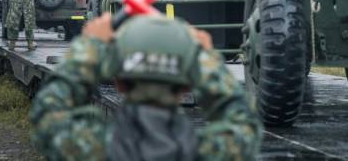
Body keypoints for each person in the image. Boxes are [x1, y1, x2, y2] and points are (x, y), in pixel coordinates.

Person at [30, 12, 262, 160]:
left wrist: (89, 47)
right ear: (186, 87)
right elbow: (242, 119)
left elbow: (48, 112)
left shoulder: (88, 148)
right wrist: (203, 58)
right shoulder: (218, 150)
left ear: (119, 83)